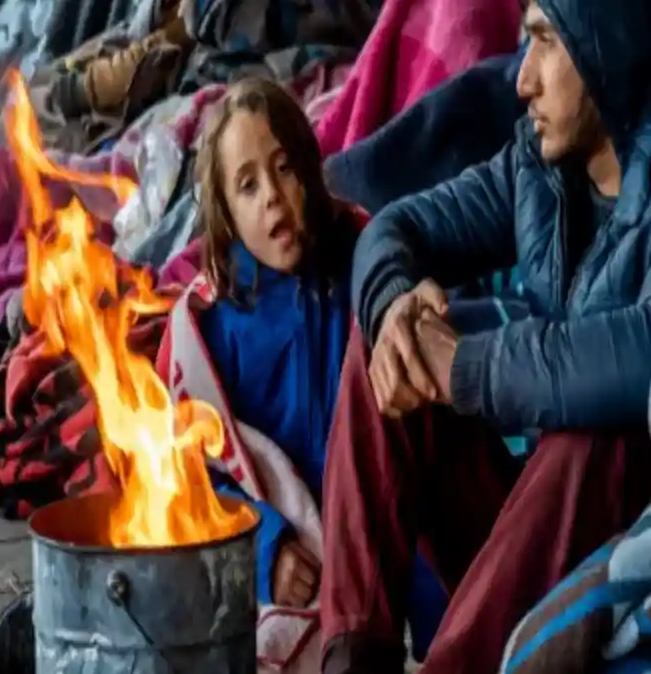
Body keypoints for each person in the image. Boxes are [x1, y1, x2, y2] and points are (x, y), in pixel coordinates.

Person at [318, 0, 651, 672]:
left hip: (624, 542)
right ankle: (351, 659)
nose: (521, 78)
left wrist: (464, 366)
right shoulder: (539, 165)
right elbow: (392, 228)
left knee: (596, 432)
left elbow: (639, 354)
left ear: (604, 45)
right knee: (393, 346)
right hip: (540, 534)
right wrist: (393, 314)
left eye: (546, 42)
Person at [154, 77, 446, 672]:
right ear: (226, 216)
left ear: (310, 172)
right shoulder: (214, 330)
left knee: (457, 620)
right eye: (248, 185)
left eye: (284, 169)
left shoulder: (362, 261)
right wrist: (267, 548)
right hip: (295, 559)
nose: (272, 198)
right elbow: (193, 474)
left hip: (387, 529)